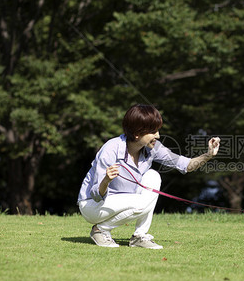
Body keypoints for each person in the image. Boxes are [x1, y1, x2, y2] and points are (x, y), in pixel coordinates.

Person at [77, 104, 220, 249]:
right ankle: (100, 230)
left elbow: (185, 165)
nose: (157, 136)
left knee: (153, 176)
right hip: (92, 205)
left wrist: (208, 155)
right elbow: (96, 194)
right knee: (141, 202)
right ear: (137, 133)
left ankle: (139, 236)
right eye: (153, 131)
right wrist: (106, 180)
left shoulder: (153, 148)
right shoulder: (111, 149)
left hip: (124, 202)